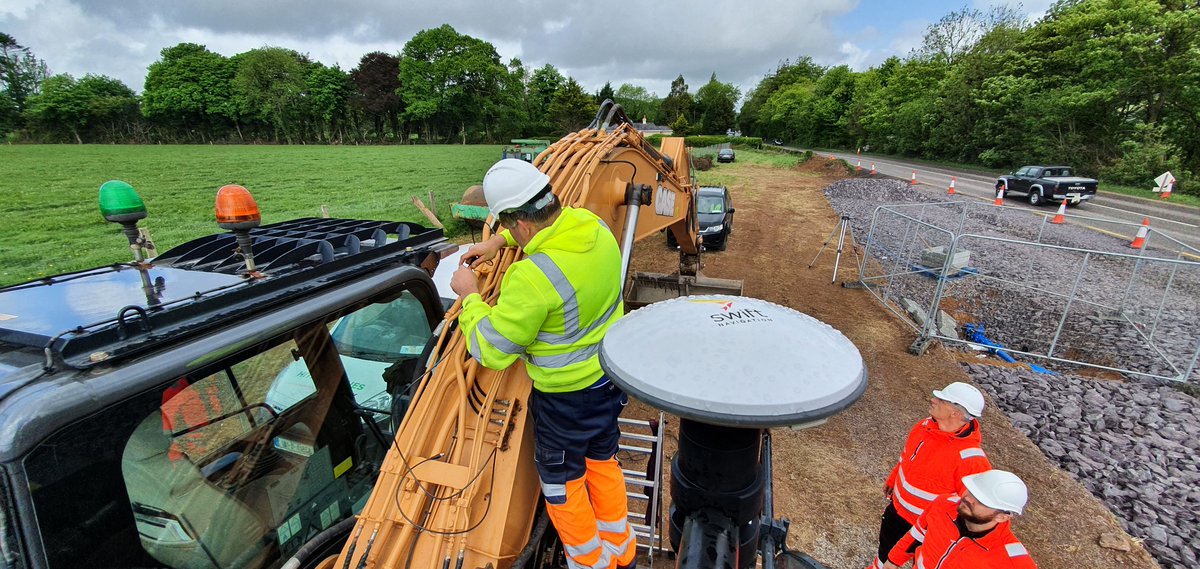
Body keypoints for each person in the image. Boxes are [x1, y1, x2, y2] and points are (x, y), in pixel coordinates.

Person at [450, 158, 635, 569]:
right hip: (609, 381)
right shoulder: (594, 227)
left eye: (508, 226)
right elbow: (543, 234)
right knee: (602, 462)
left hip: (565, 400)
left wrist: (470, 296)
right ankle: (622, 551)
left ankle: (591, 563)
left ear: (519, 223)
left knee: (562, 485)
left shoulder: (531, 278)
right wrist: (500, 242)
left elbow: (492, 350)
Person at [866, 382, 992, 569]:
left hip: (927, 528)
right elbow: (906, 457)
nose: (933, 400)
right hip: (897, 512)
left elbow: (971, 507)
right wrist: (893, 479)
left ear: (955, 413)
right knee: (885, 555)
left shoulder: (972, 461)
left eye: (941, 400)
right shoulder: (924, 427)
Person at [882, 469, 1037, 568]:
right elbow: (917, 535)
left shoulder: (1014, 560)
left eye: (981, 500)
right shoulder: (943, 504)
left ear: (1002, 516)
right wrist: (892, 562)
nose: (968, 499)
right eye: (971, 491)